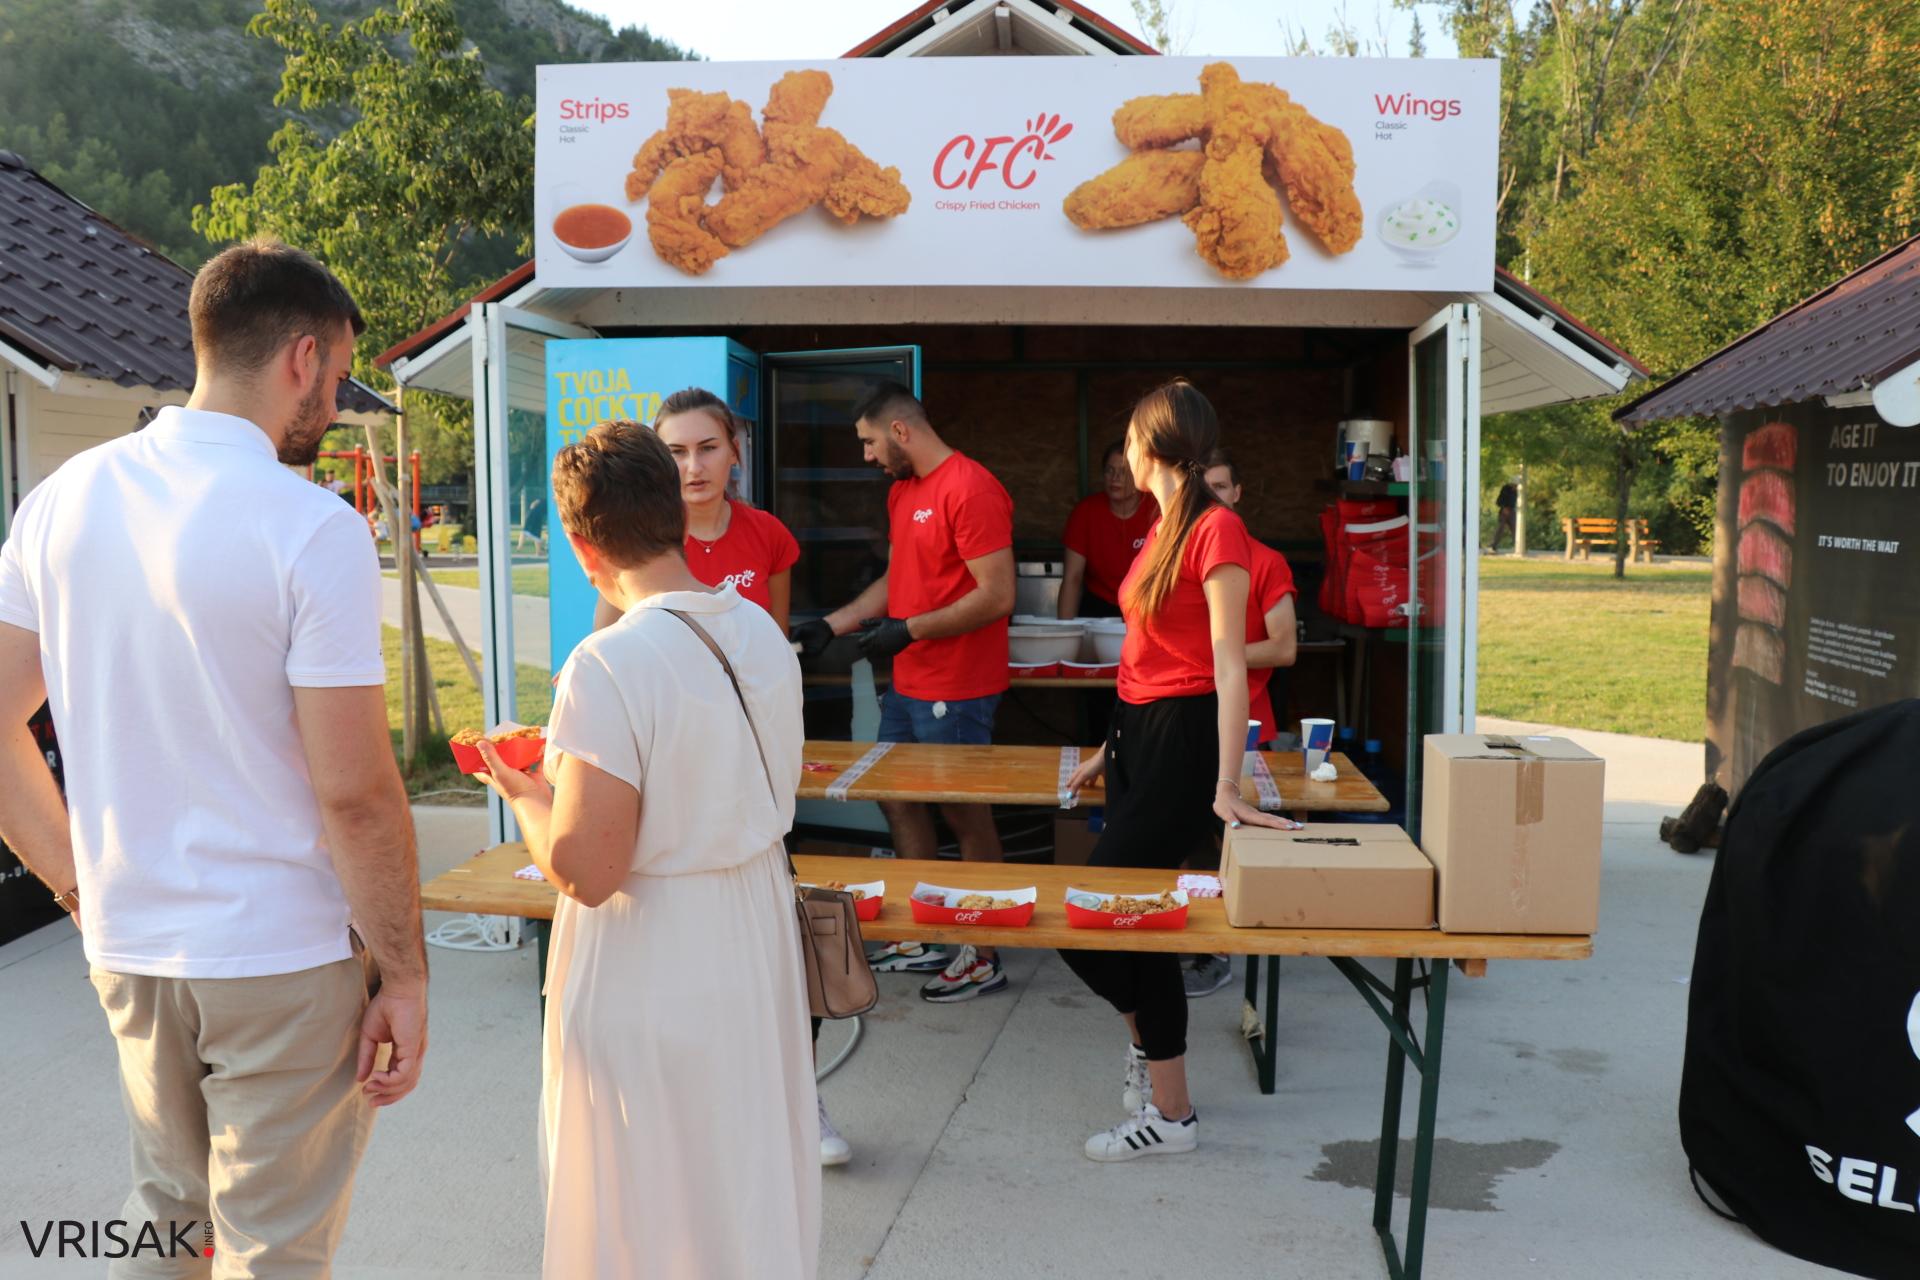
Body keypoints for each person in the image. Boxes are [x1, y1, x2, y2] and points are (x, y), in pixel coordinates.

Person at [0, 238, 427, 1274]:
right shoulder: (310, 526)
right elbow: (358, 792)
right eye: (334, 380)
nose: (330, 405)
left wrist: (75, 885)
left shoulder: (59, 500)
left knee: (170, 1220)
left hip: (131, 945)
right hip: (279, 954)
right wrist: (407, 972)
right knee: (271, 1248)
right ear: (302, 356)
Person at [476, 419, 818, 1279]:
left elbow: (588, 870)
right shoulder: (762, 635)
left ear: (582, 544)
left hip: (652, 943)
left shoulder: (608, 663)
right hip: (751, 923)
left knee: (647, 1187)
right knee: (735, 1170)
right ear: (673, 510)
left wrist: (523, 793)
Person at [1060, 380, 1295, 1162]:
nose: (1123, 453)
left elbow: (1230, 666)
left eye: (1128, 437)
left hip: (1186, 742)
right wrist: (1108, 747)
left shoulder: (1216, 530)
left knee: (1103, 920)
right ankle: (1158, 1078)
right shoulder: (1165, 530)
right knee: (1124, 924)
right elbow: (1143, 655)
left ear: (1149, 446)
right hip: (1138, 737)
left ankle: (1170, 1112)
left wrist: (1229, 787)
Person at [790, 381, 1016, 1002]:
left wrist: (908, 631)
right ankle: (925, 933)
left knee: (964, 813)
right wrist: (829, 625)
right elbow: (899, 580)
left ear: (899, 431)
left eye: (867, 442)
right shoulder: (905, 493)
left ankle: (982, 951)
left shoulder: (971, 487)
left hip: (960, 689)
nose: (865, 456)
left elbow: (997, 594)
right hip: (910, 683)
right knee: (898, 802)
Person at [1189, 446, 1299, 998]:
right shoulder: (1180, 554)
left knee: (1241, 841)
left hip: (1253, 728)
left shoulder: (1267, 560)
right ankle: (1204, 941)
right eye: (1203, 489)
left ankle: (1235, 949)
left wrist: (1217, 654)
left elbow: (1284, 648)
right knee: (1195, 840)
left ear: (1239, 493)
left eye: (1222, 487)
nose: (1213, 498)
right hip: (1188, 721)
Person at [591, 388, 799, 633]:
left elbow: (777, 645)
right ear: (659, 460)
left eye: (708, 448)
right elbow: (603, 645)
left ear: (734, 451)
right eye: (677, 452)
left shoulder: (769, 533)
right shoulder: (635, 541)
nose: (694, 467)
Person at [1057, 439, 1158, 619]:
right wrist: (1064, 631)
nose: (1115, 478)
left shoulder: (1155, 511)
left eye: (1123, 472)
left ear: (1139, 475)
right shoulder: (1086, 512)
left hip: (1145, 605)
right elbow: (1073, 577)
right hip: (1099, 605)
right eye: (1110, 470)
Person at [1493, 479, 1518, 551]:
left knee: (1515, 529)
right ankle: (1494, 545)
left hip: (1512, 511)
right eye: (1515, 486)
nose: (1515, 487)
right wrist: (1504, 508)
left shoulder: (1516, 491)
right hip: (1504, 511)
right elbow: (1498, 501)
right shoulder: (1505, 489)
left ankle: (1518, 545)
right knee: (1500, 528)